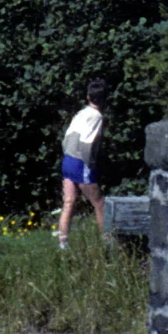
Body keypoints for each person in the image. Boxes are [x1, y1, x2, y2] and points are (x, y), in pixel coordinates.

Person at [56, 77, 109, 246]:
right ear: (104, 99)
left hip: (68, 159)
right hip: (81, 163)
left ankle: (63, 244)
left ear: (88, 97)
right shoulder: (96, 116)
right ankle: (107, 242)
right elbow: (87, 144)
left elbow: (66, 139)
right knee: (99, 203)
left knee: (69, 202)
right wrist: (91, 164)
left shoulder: (81, 113)